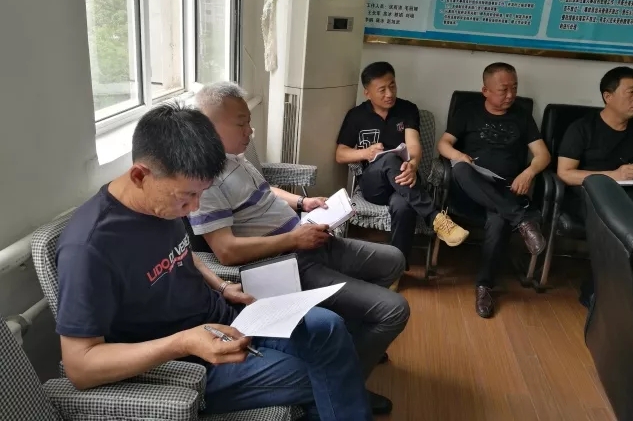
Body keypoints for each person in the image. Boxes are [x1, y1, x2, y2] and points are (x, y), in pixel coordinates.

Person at [55, 103, 372, 421]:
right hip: (189, 364)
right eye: (186, 197)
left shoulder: (161, 201)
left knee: (328, 327)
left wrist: (221, 286)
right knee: (321, 372)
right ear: (140, 175)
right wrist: (182, 343)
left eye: (200, 194)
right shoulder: (89, 248)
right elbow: (80, 366)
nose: (194, 208)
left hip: (226, 316)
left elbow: (182, 253)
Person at [187, 81, 410, 415]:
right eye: (241, 123)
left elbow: (265, 190)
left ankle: (355, 340)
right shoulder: (204, 181)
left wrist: (304, 203)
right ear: (209, 127)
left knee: (393, 259)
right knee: (394, 309)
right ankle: (348, 385)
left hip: (304, 236)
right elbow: (226, 252)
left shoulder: (234, 158)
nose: (250, 130)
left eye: (249, 121)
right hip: (286, 261)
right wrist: (294, 239)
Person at [437, 62, 550, 318]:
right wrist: (458, 155)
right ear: (485, 90)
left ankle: (484, 286)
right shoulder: (468, 111)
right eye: (503, 90)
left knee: (499, 219)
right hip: (470, 190)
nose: (510, 95)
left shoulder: (522, 116)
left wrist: (529, 172)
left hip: (505, 190)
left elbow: (543, 155)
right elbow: (444, 144)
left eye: (514, 88)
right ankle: (522, 219)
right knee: (460, 169)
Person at [335, 61, 469, 264]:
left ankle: (397, 268)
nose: (389, 94)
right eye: (382, 90)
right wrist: (366, 153)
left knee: (404, 205)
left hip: (406, 179)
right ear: (367, 93)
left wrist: (413, 165)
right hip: (374, 186)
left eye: (392, 86)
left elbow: (413, 146)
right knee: (389, 158)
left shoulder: (407, 109)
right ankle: (435, 217)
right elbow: (340, 154)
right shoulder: (356, 115)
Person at [557, 66, 633, 306]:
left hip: (631, 196)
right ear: (608, 96)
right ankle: (597, 293)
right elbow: (565, 173)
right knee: (624, 229)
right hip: (591, 197)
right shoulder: (582, 128)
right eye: (631, 92)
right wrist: (613, 175)